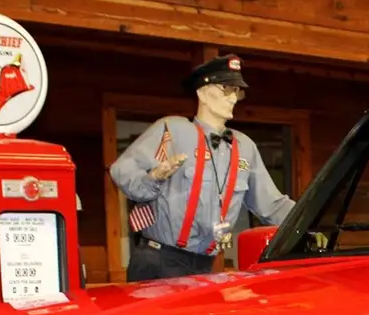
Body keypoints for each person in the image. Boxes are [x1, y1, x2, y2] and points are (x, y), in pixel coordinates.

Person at [110, 54, 295, 282]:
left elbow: (272, 205)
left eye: (237, 91)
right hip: (159, 262)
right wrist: (153, 178)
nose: (233, 98)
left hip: (205, 266)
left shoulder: (244, 147)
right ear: (203, 93)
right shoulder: (171, 131)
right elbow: (122, 171)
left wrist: (310, 220)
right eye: (226, 88)